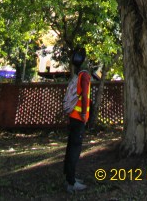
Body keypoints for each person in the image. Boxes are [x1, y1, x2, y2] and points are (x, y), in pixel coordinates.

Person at [63, 47, 91, 193]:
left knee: (70, 147)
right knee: (75, 149)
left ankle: (69, 176)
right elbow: (85, 96)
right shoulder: (84, 75)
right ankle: (71, 182)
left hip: (72, 116)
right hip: (79, 118)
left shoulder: (77, 75)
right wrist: (84, 116)